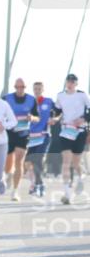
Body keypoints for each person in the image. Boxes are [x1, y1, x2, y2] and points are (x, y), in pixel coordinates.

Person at [51, 73, 90, 205]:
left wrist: (83, 119)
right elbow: (57, 111)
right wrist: (54, 118)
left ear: (76, 83)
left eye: (73, 82)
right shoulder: (60, 96)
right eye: (68, 81)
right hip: (66, 131)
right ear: (66, 82)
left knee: (76, 163)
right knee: (66, 162)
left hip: (80, 131)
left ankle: (80, 178)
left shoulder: (82, 95)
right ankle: (67, 194)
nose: (70, 83)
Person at [3, 78, 38, 201]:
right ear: (14, 87)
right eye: (17, 87)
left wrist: (32, 118)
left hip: (23, 133)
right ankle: (8, 175)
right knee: (8, 163)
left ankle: (15, 191)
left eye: (22, 87)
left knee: (19, 160)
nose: (19, 89)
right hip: (9, 133)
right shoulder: (6, 98)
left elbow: (37, 117)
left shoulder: (31, 100)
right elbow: (0, 113)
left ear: (25, 87)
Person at [26, 81, 54, 197]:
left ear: (43, 89)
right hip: (32, 137)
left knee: (37, 160)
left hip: (44, 135)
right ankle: (37, 183)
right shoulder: (29, 102)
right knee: (28, 162)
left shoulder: (48, 101)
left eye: (39, 89)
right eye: (35, 89)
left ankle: (38, 185)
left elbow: (58, 112)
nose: (37, 91)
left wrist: (54, 119)